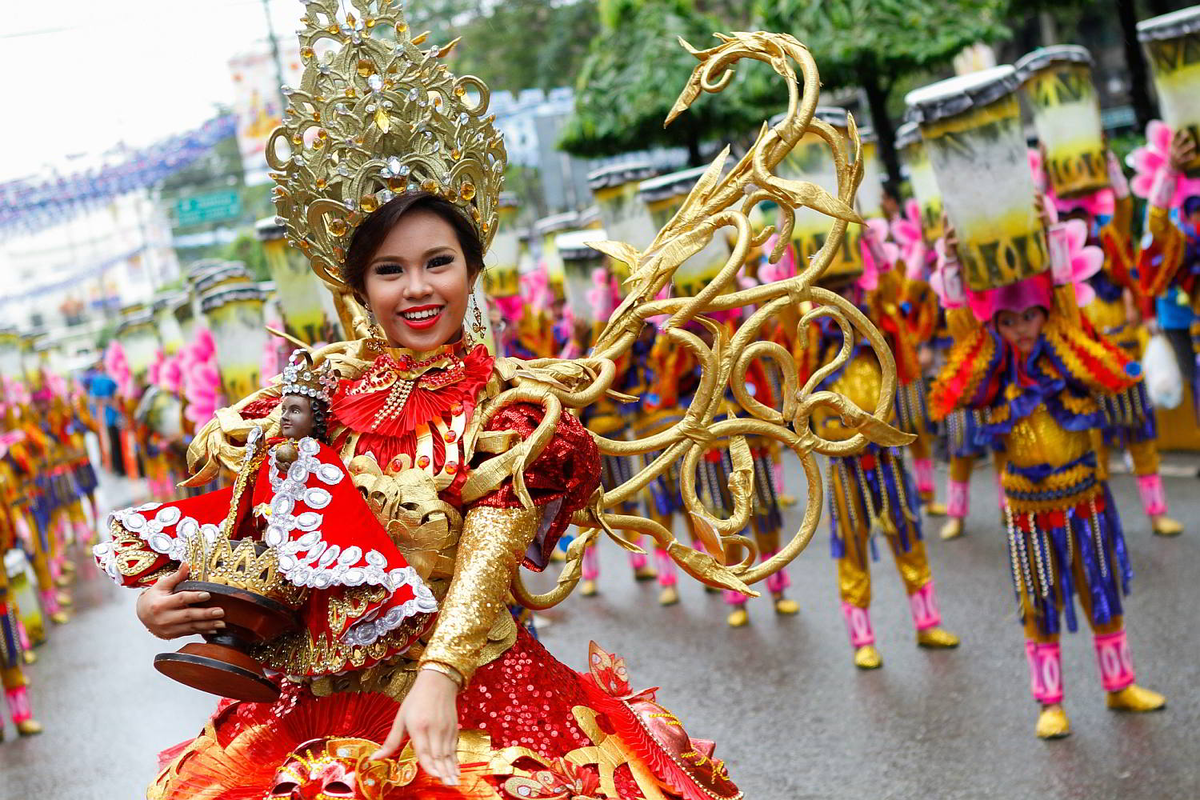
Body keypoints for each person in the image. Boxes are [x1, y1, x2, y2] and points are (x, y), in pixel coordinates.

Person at [930, 213, 1166, 739]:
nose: (1020, 329)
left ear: (1044, 312)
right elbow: (959, 323)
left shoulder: (1067, 344)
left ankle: (1120, 685)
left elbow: (1065, 301)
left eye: (1029, 317)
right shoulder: (988, 363)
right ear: (994, 323)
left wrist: (1052, 229)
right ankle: (1050, 703)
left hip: (1085, 496)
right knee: (1039, 602)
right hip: (1029, 510)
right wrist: (949, 260)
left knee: (1100, 591)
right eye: (1008, 322)